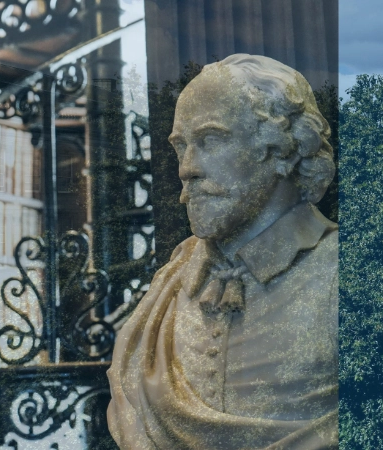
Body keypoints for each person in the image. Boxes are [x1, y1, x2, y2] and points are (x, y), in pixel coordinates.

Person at [107, 54, 338, 449]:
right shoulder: (171, 282)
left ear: (282, 148)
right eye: (181, 146)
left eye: (211, 140)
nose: (187, 168)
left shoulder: (344, 273)